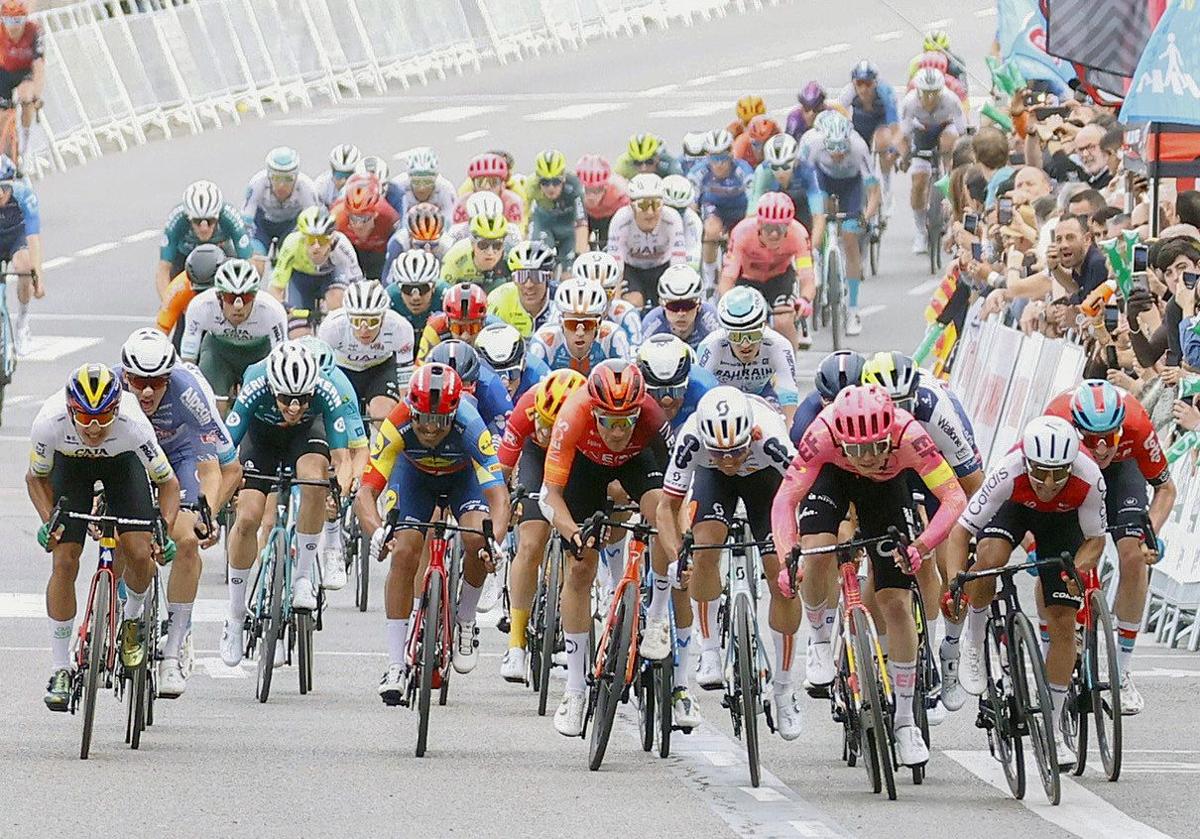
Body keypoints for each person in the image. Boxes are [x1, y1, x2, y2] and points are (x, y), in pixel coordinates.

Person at [771, 385, 967, 767]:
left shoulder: (910, 434)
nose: (866, 458)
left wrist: (922, 546)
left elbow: (954, 498)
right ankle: (820, 639)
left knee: (894, 600)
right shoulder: (822, 433)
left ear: (889, 435)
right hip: (831, 477)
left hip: (885, 491)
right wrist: (786, 560)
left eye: (875, 447)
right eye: (857, 449)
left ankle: (907, 721)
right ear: (841, 437)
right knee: (815, 550)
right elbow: (785, 501)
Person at [944, 416, 1107, 770]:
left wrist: (1075, 572)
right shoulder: (1008, 471)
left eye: (1058, 473)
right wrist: (957, 580)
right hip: (1013, 510)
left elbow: (1095, 541)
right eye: (1041, 472)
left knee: (1063, 623)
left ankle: (1052, 728)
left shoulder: (1089, 476)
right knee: (990, 558)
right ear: (1027, 462)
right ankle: (975, 641)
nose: (1048, 483)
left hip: (1063, 523)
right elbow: (960, 534)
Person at [354, 363, 510, 701]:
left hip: (462, 479)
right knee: (405, 550)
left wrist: (493, 543)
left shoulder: (471, 424)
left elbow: (499, 496)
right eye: (422, 418)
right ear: (411, 407)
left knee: (475, 539)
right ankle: (395, 664)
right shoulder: (397, 422)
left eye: (439, 421)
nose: (428, 428)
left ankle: (466, 619)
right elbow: (366, 492)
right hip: (413, 478)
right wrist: (377, 531)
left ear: (454, 414)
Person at [29, 365, 180, 711]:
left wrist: (164, 528)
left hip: (122, 467)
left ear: (116, 410)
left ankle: (132, 620)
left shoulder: (134, 425)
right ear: (70, 410)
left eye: (103, 417)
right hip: (72, 471)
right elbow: (35, 478)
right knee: (64, 560)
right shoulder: (48, 422)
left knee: (141, 553)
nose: (94, 427)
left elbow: (168, 483)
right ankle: (60, 668)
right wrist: (47, 521)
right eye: (84, 416)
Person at [539, 361, 678, 736]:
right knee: (581, 565)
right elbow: (549, 496)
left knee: (662, 518)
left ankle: (658, 618)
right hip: (585, 467)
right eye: (608, 421)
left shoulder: (650, 414)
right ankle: (574, 689)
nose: (617, 431)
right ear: (593, 411)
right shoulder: (573, 414)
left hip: (638, 464)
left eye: (626, 422)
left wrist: (677, 540)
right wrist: (572, 532)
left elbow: (676, 491)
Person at [658, 387, 798, 735]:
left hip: (767, 483)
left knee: (782, 575)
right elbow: (667, 507)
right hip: (713, 484)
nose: (730, 460)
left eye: (736, 451)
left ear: (750, 434)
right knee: (703, 549)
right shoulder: (691, 438)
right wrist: (677, 556)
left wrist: (796, 548)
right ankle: (709, 649)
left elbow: (802, 490)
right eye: (720, 453)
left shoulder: (771, 437)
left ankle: (783, 689)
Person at [117, 329, 242, 698]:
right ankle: (128, 616)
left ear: (170, 377)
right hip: (130, 458)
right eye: (139, 381)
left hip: (180, 458)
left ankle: (173, 649)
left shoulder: (189, 392)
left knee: (186, 540)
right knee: (127, 535)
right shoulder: (110, 388)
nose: (147, 392)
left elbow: (228, 468)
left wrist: (208, 513)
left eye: (157, 382)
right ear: (126, 376)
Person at [219, 343, 358, 667]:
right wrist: (223, 491)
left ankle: (302, 579)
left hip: (306, 438)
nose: (294, 408)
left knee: (314, 480)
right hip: (262, 439)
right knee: (249, 517)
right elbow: (225, 451)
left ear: (313, 389)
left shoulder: (326, 388)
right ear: (272, 388)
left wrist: (340, 486)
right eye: (285, 400)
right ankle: (236, 616)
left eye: (302, 400)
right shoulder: (255, 383)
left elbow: (342, 457)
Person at [1045, 380, 1172, 715]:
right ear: (1076, 427)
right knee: (1061, 560)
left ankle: (1123, 669)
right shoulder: (1056, 419)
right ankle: (1056, 641)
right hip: (1070, 475)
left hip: (1122, 474)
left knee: (1133, 557)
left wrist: (1151, 535)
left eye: (1109, 438)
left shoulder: (1137, 424)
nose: (1101, 448)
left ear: (1122, 426)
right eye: (1091, 439)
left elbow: (1166, 490)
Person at [496, 369, 586, 682]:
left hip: (576, 459)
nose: (548, 433)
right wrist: (504, 507)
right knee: (531, 542)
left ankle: (562, 615)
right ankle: (516, 644)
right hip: (536, 460)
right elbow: (501, 471)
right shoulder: (526, 407)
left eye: (554, 426)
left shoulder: (587, 417)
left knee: (575, 539)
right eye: (543, 424)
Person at [800, 110, 880, 336]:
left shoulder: (858, 147)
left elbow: (874, 191)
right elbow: (802, 182)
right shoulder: (811, 143)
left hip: (851, 184)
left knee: (850, 236)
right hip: (821, 180)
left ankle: (852, 307)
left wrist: (865, 216)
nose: (837, 156)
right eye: (832, 151)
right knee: (822, 216)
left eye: (841, 150)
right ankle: (817, 259)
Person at [181, 259, 287, 404]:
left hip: (259, 356)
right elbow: (188, 361)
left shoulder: (272, 310)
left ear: (255, 297)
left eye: (246, 297)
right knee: (215, 405)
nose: (238, 306)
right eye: (230, 298)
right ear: (219, 297)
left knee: (258, 408)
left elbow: (281, 358)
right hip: (219, 355)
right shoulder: (201, 306)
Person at [719, 192, 814, 348]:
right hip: (747, 279)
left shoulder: (798, 234)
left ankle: (790, 366)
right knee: (748, 323)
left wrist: (804, 299)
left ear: (789, 225)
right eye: (769, 228)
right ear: (759, 225)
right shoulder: (742, 232)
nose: (774, 234)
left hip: (780, 277)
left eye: (781, 228)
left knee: (783, 320)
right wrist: (727, 303)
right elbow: (728, 278)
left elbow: (807, 277)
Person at [698, 286, 799, 426]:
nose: (745, 344)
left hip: (762, 396)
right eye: (735, 336)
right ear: (725, 332)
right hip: (721, 401)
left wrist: (787, 435)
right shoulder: (711, 345)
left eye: (753, 335)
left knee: (779, 424)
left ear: (764, 327)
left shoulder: (779, 345)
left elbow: (788, 393)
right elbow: (700, 394)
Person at [318, 279, 416, 423]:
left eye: (372, 322)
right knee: (342, 417)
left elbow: (404, 384)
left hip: (380, 369)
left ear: (383, 317)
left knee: (382, 414)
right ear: (348, 317)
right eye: (357, 322)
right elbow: (321, 372)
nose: (364, 330)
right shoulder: (332, 327)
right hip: (343, 370)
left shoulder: (400, 327)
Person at [900, 68, 965, 253]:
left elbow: (962, 132)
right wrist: (905, 157)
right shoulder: (910, 102)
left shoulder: (951, 99)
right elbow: (903, 136)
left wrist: (958, 163)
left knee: (949, 141)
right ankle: (920, 231)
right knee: (918, 181)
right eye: (926, 94)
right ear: (919, 92)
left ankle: (947, 176)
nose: (930, 99)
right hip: (921, 133)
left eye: (934, 93)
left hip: (945, 129)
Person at [156, 179, 252, 301]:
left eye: (210, 221)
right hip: (184, 257)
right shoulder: (176, 220)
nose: (204, 228)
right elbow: (164, 268)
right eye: (197, 221)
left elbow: (248, 263)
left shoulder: (230, 217)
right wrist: (168, 303)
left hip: (221, 255)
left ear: (218, 216)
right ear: (188, 218)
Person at [268, 205, 363, 324]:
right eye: (311, 240)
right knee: (298, 330)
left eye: (322, 240)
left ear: (332, 239)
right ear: (303, 238)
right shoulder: (292, 244)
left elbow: (358, 284)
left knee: (336, 303)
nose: (316, 247)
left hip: (330, 276)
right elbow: (275, 289)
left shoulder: (341, 245)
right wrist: (282, 306)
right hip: (301, 279)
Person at [606, 173, 687, 309]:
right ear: (631, 205)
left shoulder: (672, 218)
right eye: (643, 205)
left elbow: (678, 263)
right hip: (632, 269)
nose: (650, 212)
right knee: (634, 303)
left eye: (656, 205)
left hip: (662, 268)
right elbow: (615, 263)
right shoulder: (621, 220)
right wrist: (614, 301)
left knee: (668, 305)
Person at [689, 130, 754, 292]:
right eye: (714, 158)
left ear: (731, 154)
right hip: (715, 208)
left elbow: (753, 202)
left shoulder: (743, 170)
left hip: (740, 211)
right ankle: (710, 279)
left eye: (723, 158)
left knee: (741, 237)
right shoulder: (699, 172)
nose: (718, 164)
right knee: (711, 231)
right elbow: (691, 206)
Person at [242, 147, 321, 270]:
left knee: (291, 262)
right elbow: (246, 220)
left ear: (296, 177)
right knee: (255, 263)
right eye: (276, 178)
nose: (282, 185)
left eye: (288, 178)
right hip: (262, 225)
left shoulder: (306, 187)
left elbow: (314, 222)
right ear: (269, 175)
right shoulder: (258, 182)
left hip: (291, 226)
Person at [528, 278, 630, 373]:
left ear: (599, 323)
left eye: (588, 324)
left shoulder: (613, 337)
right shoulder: (543, 343)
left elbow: (627, 379)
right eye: (571, 324)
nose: (580, 333)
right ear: (560, 323)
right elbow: (532, 388)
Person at [747, 133, 824, 244]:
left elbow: (818, 217)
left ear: (795, 161)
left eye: (785, 166)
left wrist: (812, 250)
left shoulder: (808, 171)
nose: (780, 172)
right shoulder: (763, 171)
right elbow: (752, 214)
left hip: (801, 207)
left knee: (805, 239)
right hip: (774, 210)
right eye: (775, 166)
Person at [636, 332, 717, 434]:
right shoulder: (631, 394)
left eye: (676, 391)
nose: (667, 400)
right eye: (657, 392)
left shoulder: (706, 390)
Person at [838, 60, 901, 187]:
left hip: (882, 122)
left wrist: (894, 148)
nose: (863, 89)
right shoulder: (848, 92)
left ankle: (886, 184)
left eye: (868, 84)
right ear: (853, 83)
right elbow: (837, 115)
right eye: (859, 84)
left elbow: (894, 123)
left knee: (883, 142)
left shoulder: (885, 92)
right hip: (860, 123)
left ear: (875, 83)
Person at [0, 153, 39, 353]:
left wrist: (37, 277)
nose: (0, 194)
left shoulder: (24, 194)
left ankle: (23, 323)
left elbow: (33, 238)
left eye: (4, 188)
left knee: (24, 266)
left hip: (17, 236)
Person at [525, 149, 588, 268]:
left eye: (556, 182)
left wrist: (581, 255)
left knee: (569, 271)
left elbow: (581, 222)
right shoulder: (531, 187)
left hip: (568, 226)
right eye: (545, 182)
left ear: (563, 178)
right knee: (539, 262)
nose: (551, 188)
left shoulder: (574, 185)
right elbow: (524, 217)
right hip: (544, 223)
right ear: (538, 181)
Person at [330, 173, 400, 280]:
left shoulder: (389, 217)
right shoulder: (337, 216)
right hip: (349, 250)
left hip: (377, 253)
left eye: (364, 219)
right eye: (353, 218)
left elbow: (396, 251)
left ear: (376, 214)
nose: (358, 225)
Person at [156, 244, 225, 350]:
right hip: (191, 319)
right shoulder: (178, 288)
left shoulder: (233, 287)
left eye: (208, 291)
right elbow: (159, 334)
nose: (203, 297)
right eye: (198, 291)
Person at [487, 239, 559, 339]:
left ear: (549, 277)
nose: (528, 284)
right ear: (513, 279)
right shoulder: (499, 299)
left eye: (537, 276)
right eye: (521, 276)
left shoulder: (561, 299)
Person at [640, 264, 720, 350]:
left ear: (699, 305)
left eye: (688, 305)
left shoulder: (711, 319)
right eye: (673, 306)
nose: (681, 313)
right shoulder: (651, 323)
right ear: (662, 305)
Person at [573, 250, 641, 347]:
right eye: (591, 295)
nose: (599, 303)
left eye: (606, 294)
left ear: (614, 294)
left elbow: (635, 355)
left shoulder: (626, 314)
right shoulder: (562, 314)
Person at [0, 2, 43, 148]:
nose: (14, 26)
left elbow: (39, 66)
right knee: (2, 115)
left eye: (18, 21)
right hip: (5, 72)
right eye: (9, 21)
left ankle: (26, 142)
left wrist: (37, 95)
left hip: (25, 72)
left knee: (26, 96)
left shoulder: (33, 30)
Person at [475, 321, 550, 403]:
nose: (505, 384)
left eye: (512, 373)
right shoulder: (473, 381)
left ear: (524, 365)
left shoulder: (541, 378)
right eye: (496, 376)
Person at [417, 281, 493, 359]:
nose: (465, 336)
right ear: (447, 322)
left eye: (473, 328)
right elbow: (421, 368)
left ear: (483, 323)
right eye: (458, 328)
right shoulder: (434, 330)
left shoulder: (494, 330)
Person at [381, 202, 454, 280]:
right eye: (420, 245)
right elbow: (388, 278)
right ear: (409, 235)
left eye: (433, 245)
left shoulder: (448, 244)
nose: (427, 250)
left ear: (441, 235)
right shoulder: (399, 242)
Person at [451, 152, 524, 226]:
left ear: (502, 184)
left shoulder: (512, 202)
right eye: (480, 182)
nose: (487, 187)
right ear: (473, 185)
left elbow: (518, 232)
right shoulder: (462, 204)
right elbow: (456, 232)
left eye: (494, 182)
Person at [386, 249, 446, 338]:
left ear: (433, 287)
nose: (415, 297)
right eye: (407, 289)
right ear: (399, 288)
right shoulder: (388, 299)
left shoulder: (446, 297)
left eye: (423, 288)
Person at [577, 154, 628, 250]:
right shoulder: (574, 193)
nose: (591, 196)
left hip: (609, 218)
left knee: (608, 246)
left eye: (597, 190)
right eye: (587, 190)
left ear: (605, 187)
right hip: (586, 217)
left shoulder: (619, 194)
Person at [391, 146, 457, 221]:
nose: (422, 188)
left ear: (436, 178)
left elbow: (451, 221)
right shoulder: (397, 187)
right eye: (416, 181)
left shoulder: (446, 189)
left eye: (427, 182)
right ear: (409, 177)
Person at [615, 132, 682, 180]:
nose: (643, 168)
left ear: (658, 158)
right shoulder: (623, 165)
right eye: (637, 163)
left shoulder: (669, 166)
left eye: (649, 162)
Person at [313, 143, 362, 208]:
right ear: (332, 171)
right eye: (339, 175)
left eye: (348, 175)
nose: (343, 181)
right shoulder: (320, 186)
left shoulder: (365, 186)